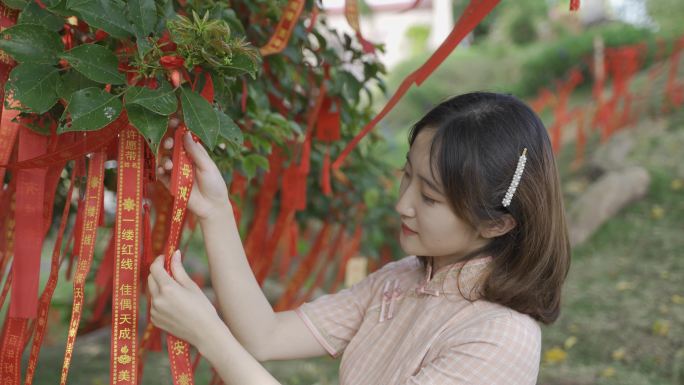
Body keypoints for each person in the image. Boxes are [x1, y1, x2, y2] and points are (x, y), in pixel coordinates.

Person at [148, 91, 571, 384]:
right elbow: (266, 336)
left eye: (429, 196)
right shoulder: (402, 280)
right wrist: (215, 211)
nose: (403, 204)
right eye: (407, 175)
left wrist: (208, 335)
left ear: (496, 223)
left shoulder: (499, 337)